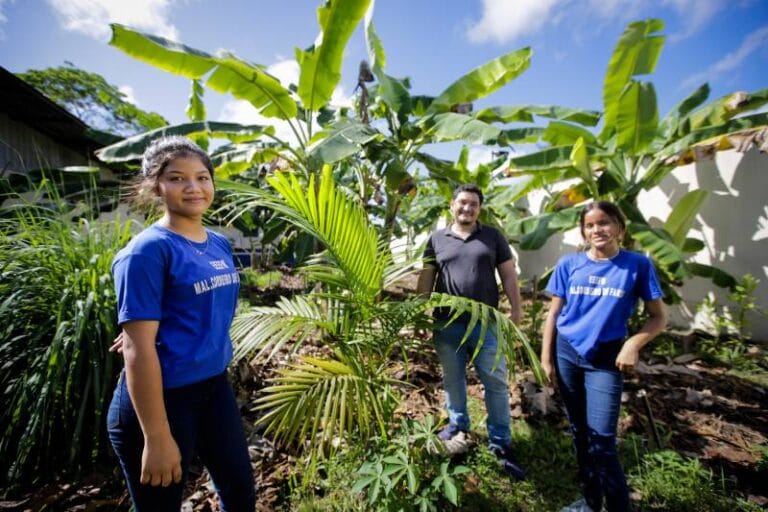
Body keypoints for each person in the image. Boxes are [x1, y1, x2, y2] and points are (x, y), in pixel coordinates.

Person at [106, 136, 255, 511]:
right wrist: (155, 437)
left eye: (202, 177)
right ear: (155, 185)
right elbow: (139, 351)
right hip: (163, 400)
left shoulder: (219, 243)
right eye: (177, 178)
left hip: (213, 388)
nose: (194, 188)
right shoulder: (146, 251)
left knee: (240, 494)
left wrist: (145, 330)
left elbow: (199, 306)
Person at [541, 201, 667, 512]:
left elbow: (658, 318)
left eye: (605, 222)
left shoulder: (637, 265)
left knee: (603, 440)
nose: (597, 229)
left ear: (620, 228)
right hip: (567, 352)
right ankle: (591, 501)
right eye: (590, 225)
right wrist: (544, 360)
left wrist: (633, 344)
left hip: (606, 358)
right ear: (583, 231)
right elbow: (554, 313)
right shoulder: (569, 265)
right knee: (579, 432)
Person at [416, 183, 526, 480]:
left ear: (480, 208)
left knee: (495, 382)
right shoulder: (436, 240)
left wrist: (516, 309)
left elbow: (508, 275)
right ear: (452, 205)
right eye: (463, 202)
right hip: (446, 324)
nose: (467, 208)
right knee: (453, 379)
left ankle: (501, 443)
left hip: (485, 324)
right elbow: (426, 280)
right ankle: (458, 424)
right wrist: (417, 317)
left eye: (473, 204)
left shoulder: (492, 237)